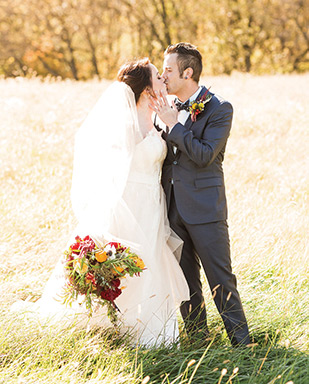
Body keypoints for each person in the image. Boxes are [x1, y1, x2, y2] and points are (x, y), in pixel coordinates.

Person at [11, 58, 189, 347]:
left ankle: (153, 334)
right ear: (145, 89)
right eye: (158, 77)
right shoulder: (123, 126)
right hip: (128, 204)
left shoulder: (160, 118)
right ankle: (112, 327)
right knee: (128, 266)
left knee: (152, 263)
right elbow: (106, 168)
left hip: (153, 206)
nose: (163, 81)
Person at [149, 42, 250, 346]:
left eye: (168, 69)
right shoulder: (163, 107)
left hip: (205, 208)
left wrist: (172, 126)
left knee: (220, 277)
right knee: (185, 280)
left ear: (188, 72)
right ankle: (198, 339)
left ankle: (242, 342)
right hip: (172, 207)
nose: (163, 75)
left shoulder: (219, 108)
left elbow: (205, 155)